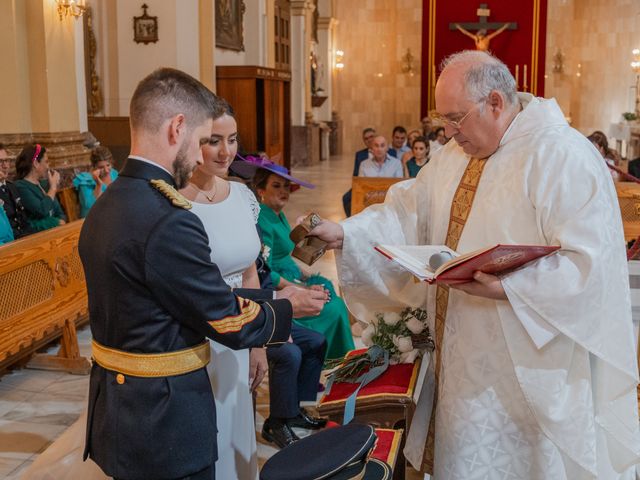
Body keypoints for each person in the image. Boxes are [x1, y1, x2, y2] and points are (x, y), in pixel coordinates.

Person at [308, 50, 640, 478]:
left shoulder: (562, 155)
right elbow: (409, 210)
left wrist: (508, 287)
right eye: (442, 118)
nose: (446, 131)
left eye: (455, 118)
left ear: (496, 103)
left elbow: (589, 268)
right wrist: (348, 234)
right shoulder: (455, 153)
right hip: (460, 356)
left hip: (529, 370)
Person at [77, 67, 319, 480]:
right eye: (202, 138)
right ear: (177, 128)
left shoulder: (109, 201)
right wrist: (285, 305)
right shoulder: (169, 217)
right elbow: (224, 316)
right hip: (165, 418)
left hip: (118, 410)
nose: (204, 152)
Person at [251, 163, 355, 360]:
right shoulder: (263, 219)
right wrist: (300, 289)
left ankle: (324, 362)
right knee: (333, 308)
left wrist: (307, 276)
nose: (283, 191)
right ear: (261, 190)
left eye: (286, 186)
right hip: (277, 285)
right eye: (276, 186)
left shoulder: (277, 214)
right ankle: (322, 359)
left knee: (329, 291)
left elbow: (286, 256)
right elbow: (265, 272)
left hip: (290, 275)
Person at [14, 144, 66, 232]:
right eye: (46, 161)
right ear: (36, 163)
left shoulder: (45, 184)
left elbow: (60, 213)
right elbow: (41, 210)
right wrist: (53, 187)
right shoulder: (21, 186)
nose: (48, 166)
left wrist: (61, 221)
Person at [73, 145, 118, 218]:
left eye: (108, 165)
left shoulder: (114, 173)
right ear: (94, 167)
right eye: (101, 167)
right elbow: (89, 206)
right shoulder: (85, 181)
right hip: (93, 219)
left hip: (112, 215)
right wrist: (98, 184)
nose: (106, 171)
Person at [0, 143, 32, 239]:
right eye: (0, 162)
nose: (5, 166)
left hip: (25, 238)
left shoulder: (12, 187)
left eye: (7, 160)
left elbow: (23, 219)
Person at [342, 127, 376, 217]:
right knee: (346, 198)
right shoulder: (360, 154)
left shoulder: (386, 151)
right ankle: (352, 219)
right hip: (362, 184)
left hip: (379, 183)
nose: (369, 140)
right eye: (366, 138)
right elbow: (356, 174)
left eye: (371, 137)